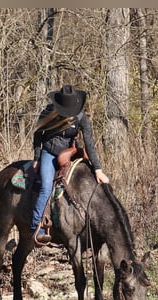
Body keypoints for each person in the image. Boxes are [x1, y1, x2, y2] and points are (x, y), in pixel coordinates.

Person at [30, 85, 110, 244]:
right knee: (46, 187)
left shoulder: (80, 116)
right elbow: (38, 135)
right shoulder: (48, 112)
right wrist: (37, 158)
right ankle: (37, 226)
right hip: (50, 154)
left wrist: (98, 169)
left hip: (70, 154)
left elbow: (89, 143)